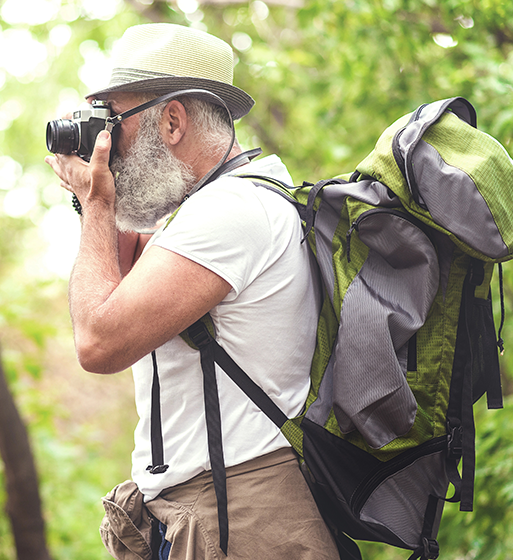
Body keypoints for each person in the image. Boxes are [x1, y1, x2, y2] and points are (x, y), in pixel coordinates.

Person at [45, 23, 339, 560]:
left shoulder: (231, 211)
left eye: (114, 121)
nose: (107, 142)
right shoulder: (218, 207)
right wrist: (95, 196)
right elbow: (121, 275)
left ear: (173, 121)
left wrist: (97, 203)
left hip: (244, 515)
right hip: (213, 507)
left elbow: (99, 340)